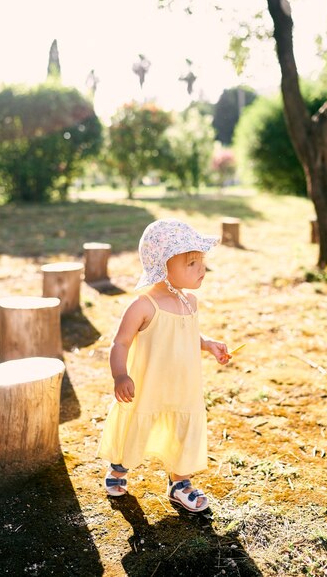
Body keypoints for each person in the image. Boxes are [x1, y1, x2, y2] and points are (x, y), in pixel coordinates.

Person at [97, 218, 230, 513]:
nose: (201, 269)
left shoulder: (189, 302)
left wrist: (206, 343)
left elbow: (184, 333)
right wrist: (120, 375)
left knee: (182, 431)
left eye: (201, 262)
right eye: (191, 263)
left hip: (183, 385)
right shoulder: (144, 305)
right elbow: (120, 343)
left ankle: (180, 483)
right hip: (149, 384)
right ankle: (118, 468)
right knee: (135, 426)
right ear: (163, 265)